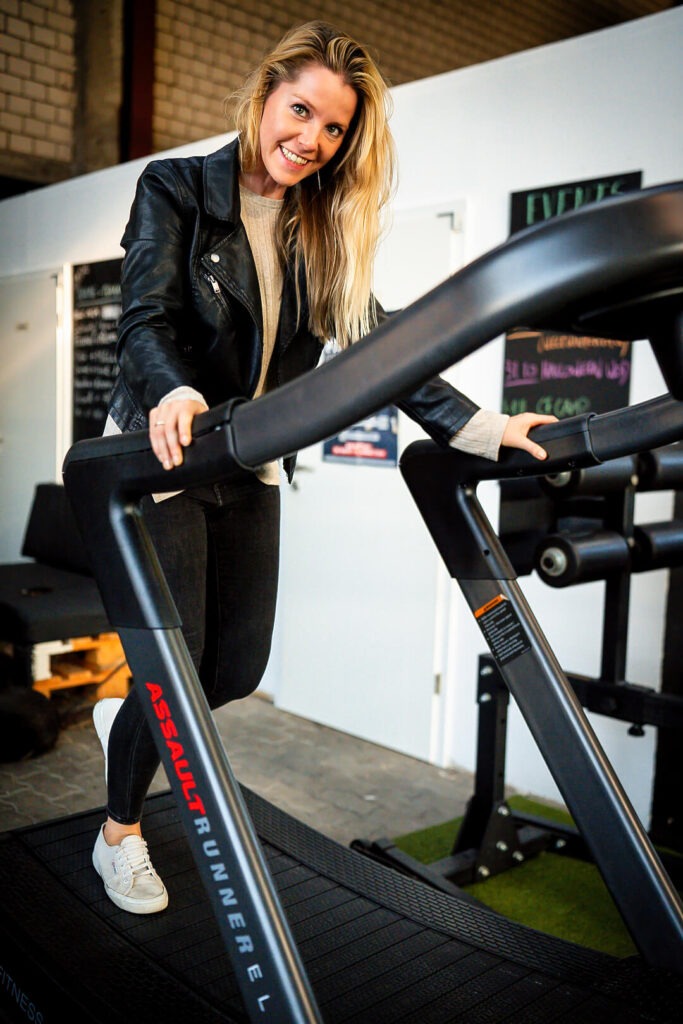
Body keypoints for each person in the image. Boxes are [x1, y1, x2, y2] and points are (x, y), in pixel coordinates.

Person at [92, 20, 556, 914]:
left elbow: (375, 346)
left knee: (236, 669)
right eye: (299, 110)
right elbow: (144, 315)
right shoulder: (178, 187)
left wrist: (482, 426)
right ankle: (119, 833)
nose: (310, 140)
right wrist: (171, 393)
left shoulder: (320, 225)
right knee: (177, 668)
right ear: (266, 94)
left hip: (251, 463)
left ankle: (130, 716)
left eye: (334, 128)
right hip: (168, 455)